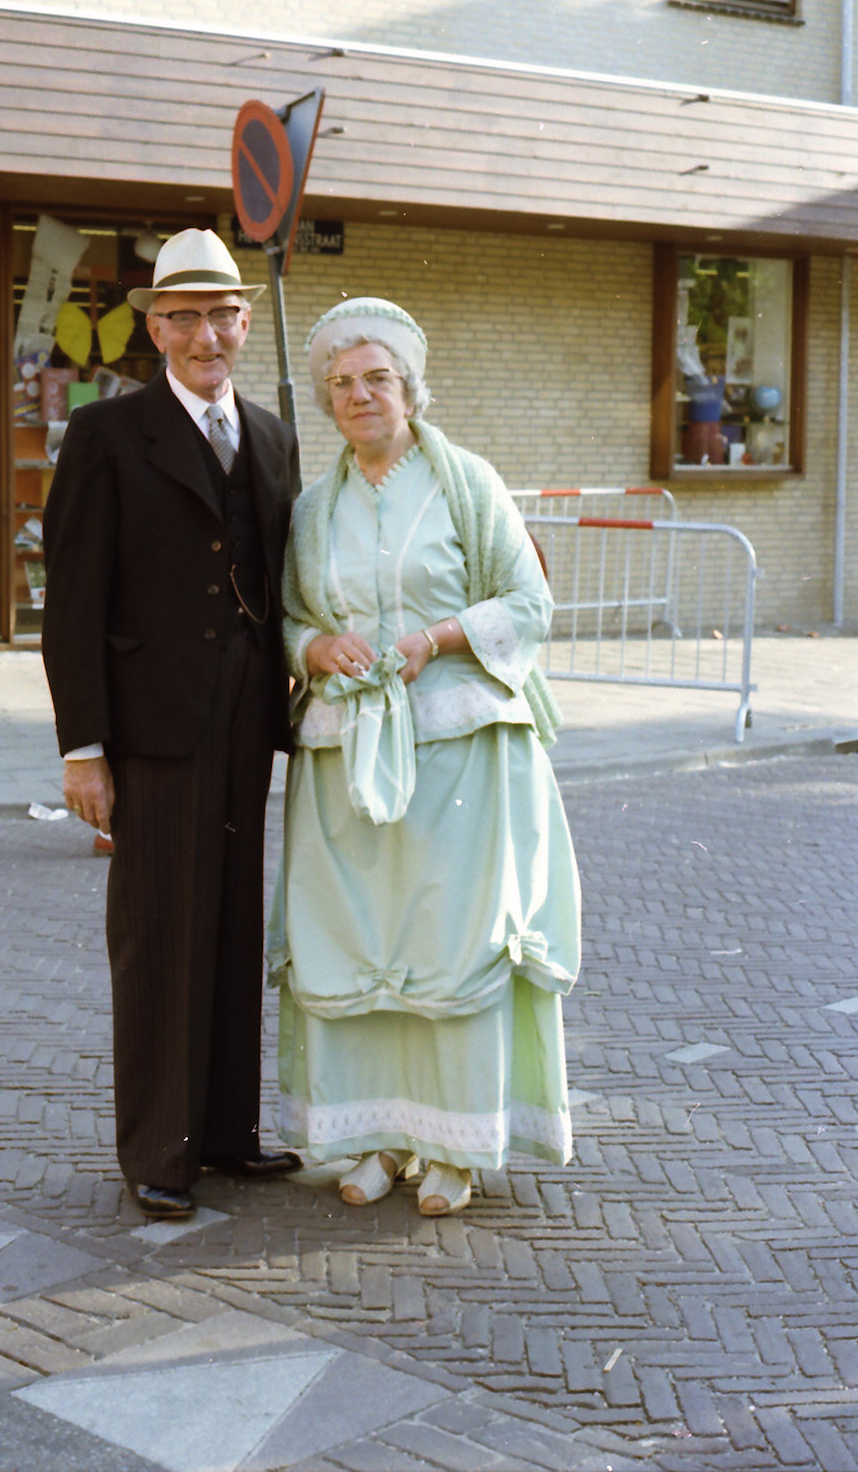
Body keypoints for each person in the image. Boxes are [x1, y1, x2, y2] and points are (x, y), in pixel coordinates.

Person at [267, 298, 580, 1217]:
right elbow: (293, 617)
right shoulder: (314, 507)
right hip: (343, 757)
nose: (360, 395)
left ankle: (457, 1146)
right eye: (342, 383)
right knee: (360, 938)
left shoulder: (468, 483)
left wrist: (439, 637)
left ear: (409, 387)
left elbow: (529, 602)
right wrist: (314, 652)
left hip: (460, 756)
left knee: (449, 941)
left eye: (377, 378)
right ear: (327, 400)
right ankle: (372, 1137)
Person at [42, 228, 302, 1220]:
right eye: (184, 316)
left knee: (235, 921)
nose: (206, 334)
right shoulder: (109, 435)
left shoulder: (274, 435)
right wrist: (82, 746)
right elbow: (71, 600)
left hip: (247, 716)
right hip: (152, 724)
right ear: (154, 327)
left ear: (243, 322)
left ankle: (228, 1130)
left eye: (221, 315)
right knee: (159, 932)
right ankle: (159, 1146)